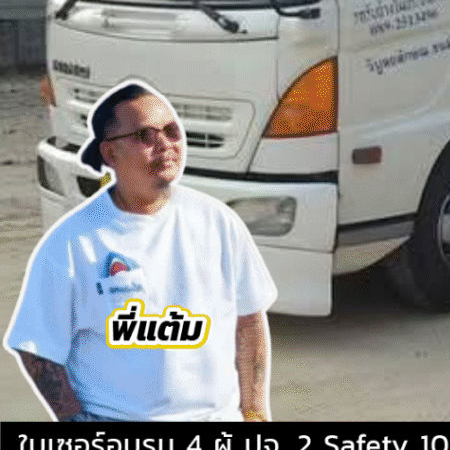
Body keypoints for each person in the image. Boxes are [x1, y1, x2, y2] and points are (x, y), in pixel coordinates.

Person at [4, 81, 277, 421]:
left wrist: (255, 412)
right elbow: (37, 348)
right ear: (110, 153)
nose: (165, 144)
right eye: (144, 135)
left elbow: (249, 321)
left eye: (172, 131)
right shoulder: (73, 243)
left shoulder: (218, 222)